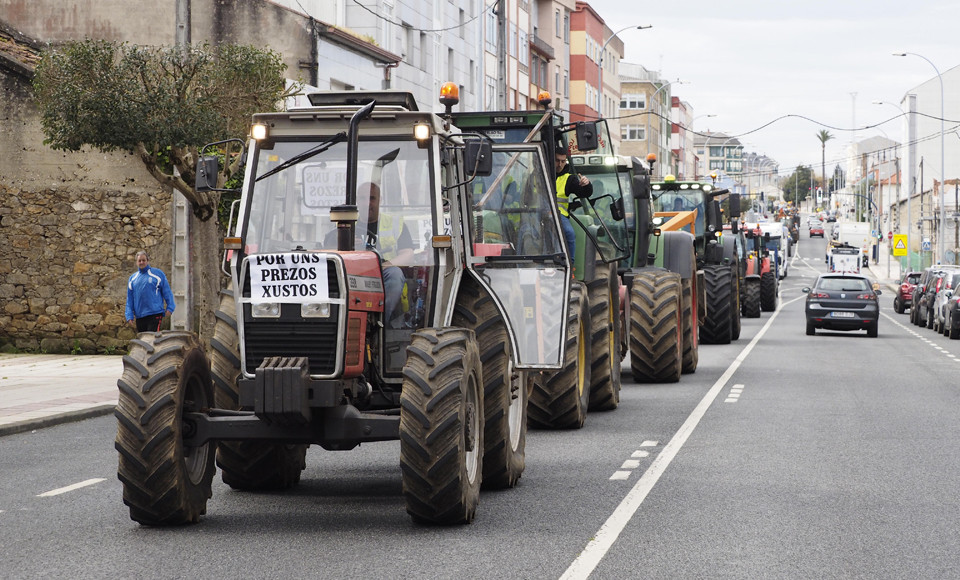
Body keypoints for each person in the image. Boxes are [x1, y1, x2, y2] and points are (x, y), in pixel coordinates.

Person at [554, 147, 592, 261]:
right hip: (539, 213)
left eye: (563, 161)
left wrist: (586, 185)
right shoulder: (538, 173)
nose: (560, 164)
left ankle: (569, 264)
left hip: (559, 215)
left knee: (569, 233)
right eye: (557, 160)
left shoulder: (569, 179)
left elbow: (584, 193)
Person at [125, 250, 175, 333]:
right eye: (139, 261)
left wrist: (170, 307)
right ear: (136, 262)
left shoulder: (158, 274)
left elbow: (167, 292)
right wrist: (129, 315)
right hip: (140, 315)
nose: (141, 262)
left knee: (152, 340)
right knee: (143, 341)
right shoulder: (132, 278)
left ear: (147, 261)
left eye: (143, 260)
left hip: (155, 313)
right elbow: (129, 299)